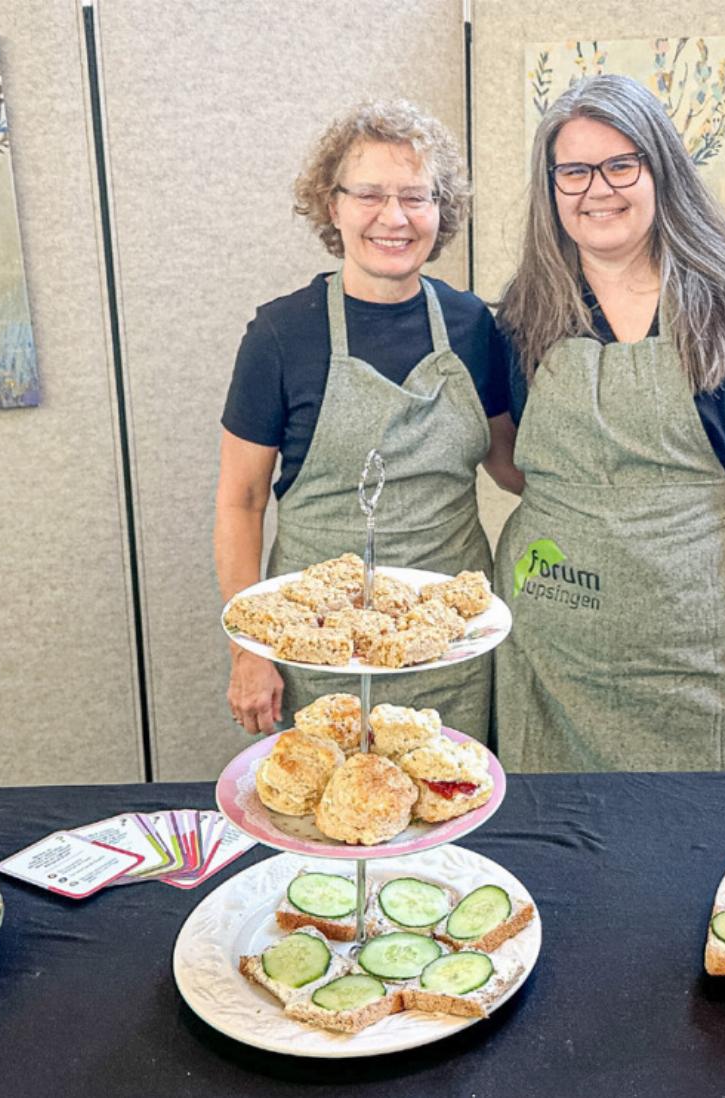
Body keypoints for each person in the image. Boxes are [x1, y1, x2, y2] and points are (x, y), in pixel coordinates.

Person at [495, 74, 725, 772]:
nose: (596, 189)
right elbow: (509, 449)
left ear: (660, 171)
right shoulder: (524, 314)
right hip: (551, 645)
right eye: (574, 170)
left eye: (620, 165)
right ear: (551, 186)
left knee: (702, 839)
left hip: (698, 647)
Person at [216, 101, 521, 742]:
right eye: (371, 195)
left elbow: (509, 464)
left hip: (452, 647)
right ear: (333, 205)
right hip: (318, 648)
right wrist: (249, 649)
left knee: (447, 807)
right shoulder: (281, 334)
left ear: (442, 209)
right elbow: (240, 502)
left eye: (416, 196)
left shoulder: (472, 327)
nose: (395, 217)